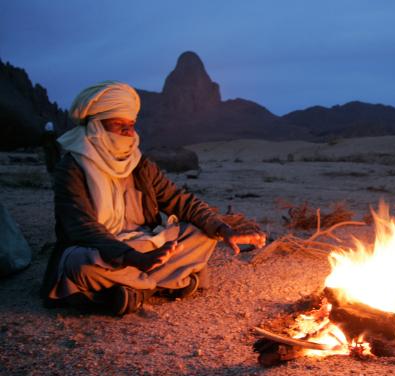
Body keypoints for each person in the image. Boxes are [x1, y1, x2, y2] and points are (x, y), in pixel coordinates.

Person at [41, 81, 266, 315]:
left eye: (132, 126)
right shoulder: (72, 168)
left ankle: (134, 290)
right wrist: (132, 258)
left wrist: (223, 229)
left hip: (147, 245)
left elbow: (179, 200)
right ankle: (159, 285)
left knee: (203, 235)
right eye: (120, 126)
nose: (130, 134)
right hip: (104, 249)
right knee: (78, 263)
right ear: (97, 127)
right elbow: (82, 228)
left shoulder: (139, 164)